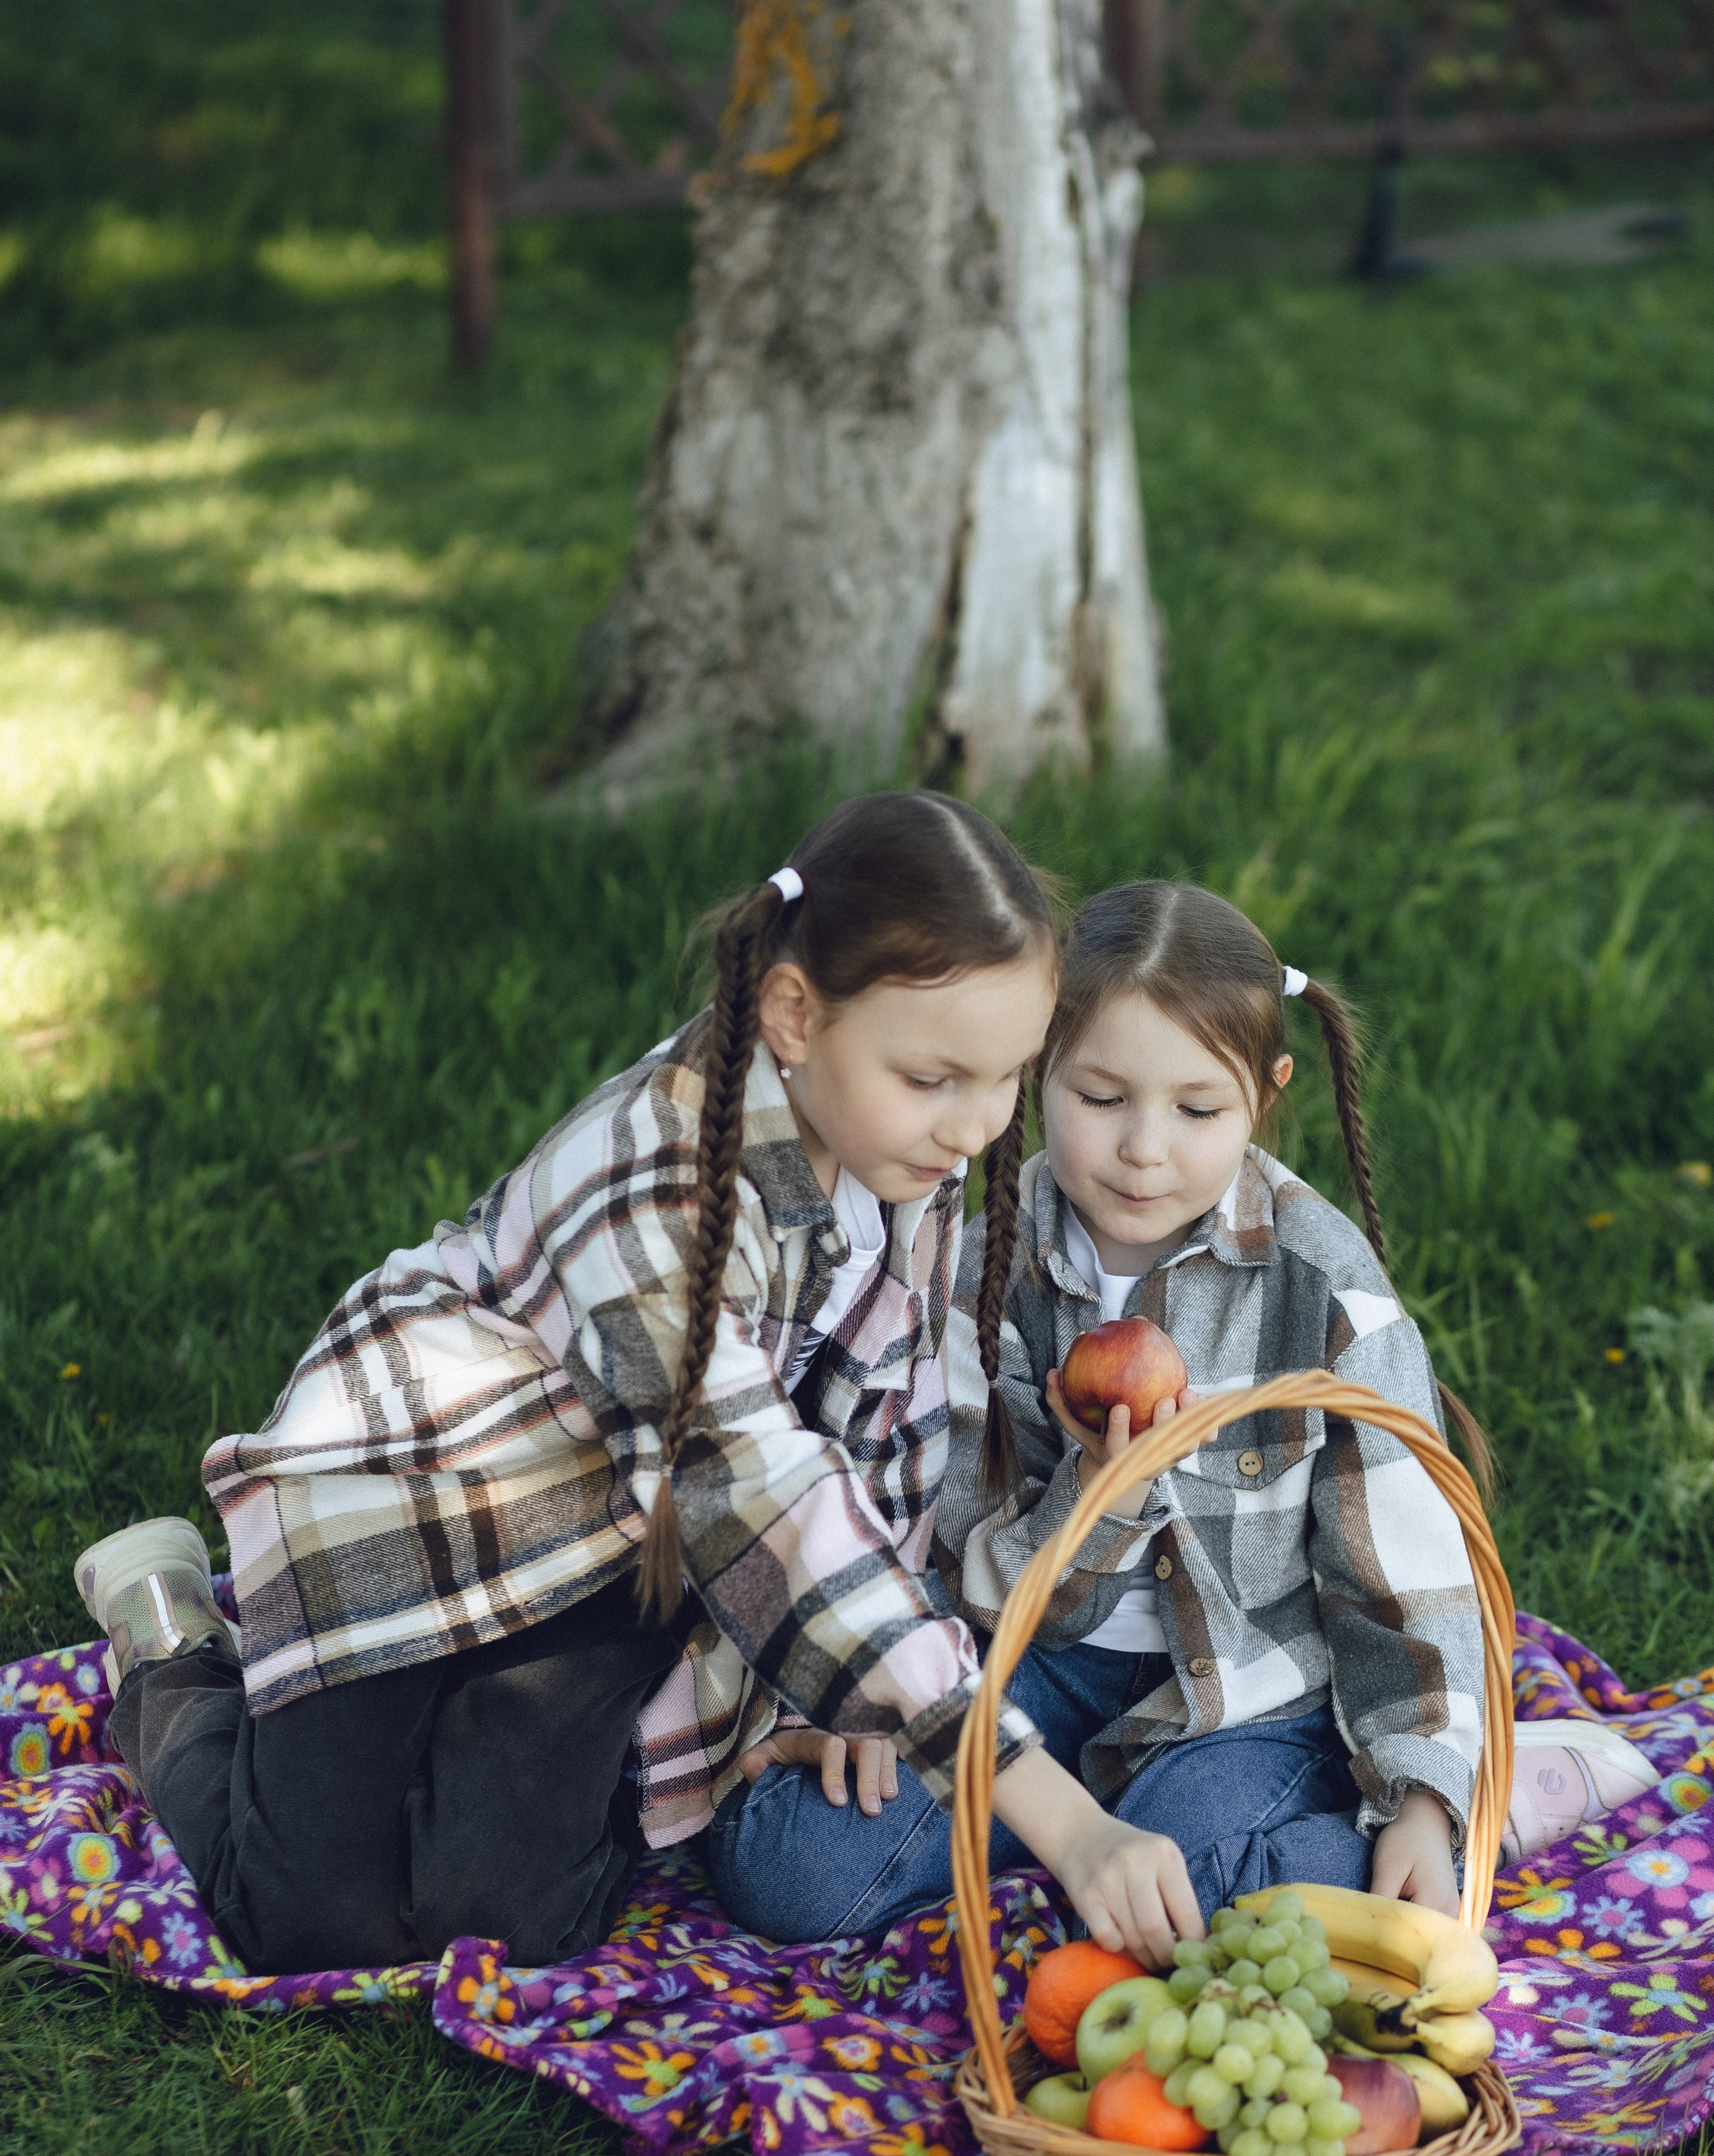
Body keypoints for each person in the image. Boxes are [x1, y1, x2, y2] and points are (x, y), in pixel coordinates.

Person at [72, 795, 1177, 1979]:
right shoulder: (652, 1183)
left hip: (618, 1552)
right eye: (936, 1078)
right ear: (795, 1014)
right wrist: (1059, 1815)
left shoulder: (896, 1144)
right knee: (303, 1924)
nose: (976, 1125)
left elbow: (887, 1430)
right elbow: (756, 1490)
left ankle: (459, 1739)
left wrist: (845, 1695)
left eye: (1007, 1076)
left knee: (510, 1926)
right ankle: (172, 1643)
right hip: (415, 1502)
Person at [709, 879, 1497, 1963]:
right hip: (1034, 1662)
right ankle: (1065, 1824)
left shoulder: (1321, 1285)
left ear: (1266, 1097)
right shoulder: (981, 1267)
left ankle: (1472, 1785)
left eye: (1197, 1110)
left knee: (1180, 1873)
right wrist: (1097, 1496)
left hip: (1249, 1688)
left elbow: (1403, 1569)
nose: (1143, 1148)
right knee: (786, 1869)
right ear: (1040, 1070)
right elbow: (953, 1552)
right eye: (1102, 1096)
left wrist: (1421, 1798)